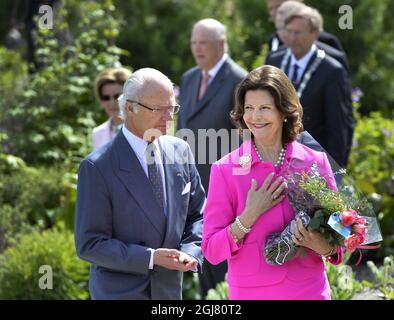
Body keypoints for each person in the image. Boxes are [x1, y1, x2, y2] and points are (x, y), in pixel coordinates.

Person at [202, 65, 344, 300]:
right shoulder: (225, 169)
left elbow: (340, 236)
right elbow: (211, 251)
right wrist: (248, 217)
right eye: (249, 108)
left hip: (309, 292)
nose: (255, 117)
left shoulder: (314, 161)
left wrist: (323, 246)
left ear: (284, 111)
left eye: (265, 108)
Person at [75, 68, 206, 300]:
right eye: (158, 109)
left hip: (168, 293)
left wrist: (191, 251)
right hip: (119, 294)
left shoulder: (180, 150)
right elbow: (90, 243)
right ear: (129, 108)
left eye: (172, 108)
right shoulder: (97, 167)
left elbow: (199, 215)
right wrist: (150, 257)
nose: (169, 118)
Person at [177, 18, 247, 298]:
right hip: (192, 187)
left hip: (226, 190)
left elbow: (248, 138)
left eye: (203, 43)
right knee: (201, 261)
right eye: (194, 42)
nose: (197, 48)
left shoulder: (240, 80)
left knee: (223, 268)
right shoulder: (189, 77)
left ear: (221, 44)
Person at [266, 8, 354, 168]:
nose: (293, 38)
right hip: (275, 156)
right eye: (289, 32)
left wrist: (335, 170)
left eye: (299, 33)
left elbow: (338, 127)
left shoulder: (332, 71)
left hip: (313, 162)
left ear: (315, 33)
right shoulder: (275, 60)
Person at [270, 2, 349, 72]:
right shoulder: (274, 55)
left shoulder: (331, 55)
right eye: (279, 29)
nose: (291, 37)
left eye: (297, 32)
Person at [265, 0, 345, 54]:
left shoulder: (326, 41)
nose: (275, 13)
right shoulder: (274, 40)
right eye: (271, 9)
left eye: (279, 6)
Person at [92, 67, 132, 150]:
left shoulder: (145, 129)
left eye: (117, 96)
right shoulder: (97, 133)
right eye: (106, 97)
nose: (112, 103)